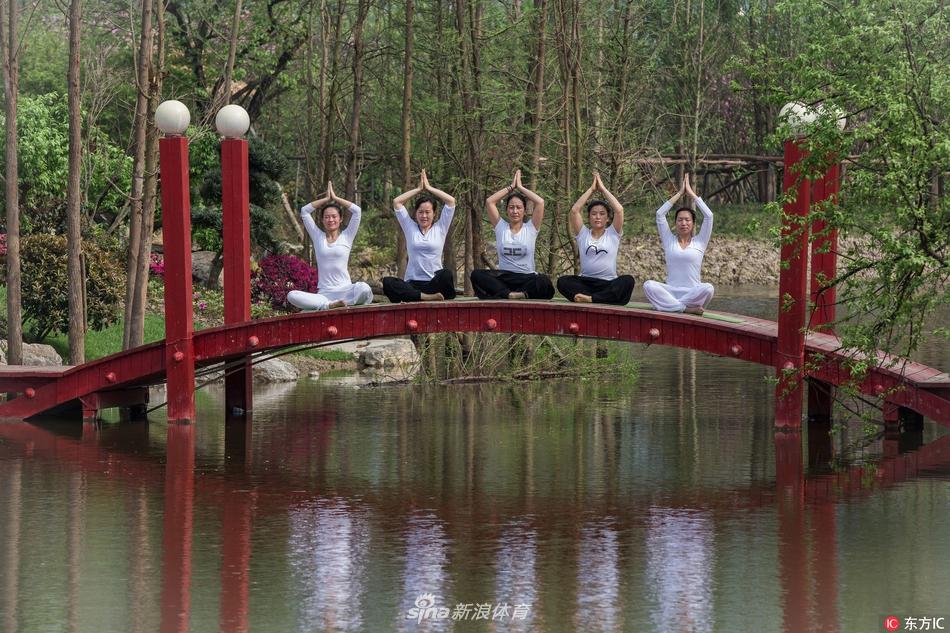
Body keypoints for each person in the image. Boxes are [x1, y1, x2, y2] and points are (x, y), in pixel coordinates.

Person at [287, 181, 374, 311]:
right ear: (322, 220)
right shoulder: (318, 237)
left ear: (340, 219)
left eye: (334, 216)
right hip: (325, 294)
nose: (330, 220)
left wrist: (335, 198)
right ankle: (329, 305)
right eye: (327, 217)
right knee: (291, 295)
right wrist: (326, 199)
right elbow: (304, 212)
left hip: (345, 290)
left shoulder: (347, 236)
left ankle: (341, 303)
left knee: (364, 288)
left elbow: (357, 211)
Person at [470, 169, 555, 300]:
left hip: (527, 278)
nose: (515, 211)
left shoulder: (531, 228)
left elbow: (540, 202)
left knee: (543, 281)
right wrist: (511, 187)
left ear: (525, 211)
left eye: (519, 207)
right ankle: (509, 295)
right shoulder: (500, 227)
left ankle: (521, 294)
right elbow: (490, 202)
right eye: (511, 207)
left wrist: (520, 187)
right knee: (477, 275)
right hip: (505, 278)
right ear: (507, 210)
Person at [556, 173, 635, 305]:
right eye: (594, 214)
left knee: (628, 281)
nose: (597, 217)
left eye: (602, 214)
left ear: (607, 218)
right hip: (585, 282)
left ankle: (591, 299)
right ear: (589, 217)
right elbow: (575, 210)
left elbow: (619, 210)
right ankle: (603, 298)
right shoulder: (583, 234)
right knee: (563, 281)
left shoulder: (613, 234)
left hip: (608, 283)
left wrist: (603, 189)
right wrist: (591, 189)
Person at [642, 174, 715, 315]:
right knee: (648, 285)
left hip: (692, 293)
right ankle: (684, 309)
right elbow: (660, 214)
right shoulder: (669, 240)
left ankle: (671, 306)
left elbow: (709, 216)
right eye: (680, 220)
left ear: (693, 224)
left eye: (687, 220)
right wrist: (680, 193)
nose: (684, 223)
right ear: (675, 224)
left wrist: (692, 194)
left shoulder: (700, 242)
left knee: (708, 288)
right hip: (670, 292)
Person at [382, 170, 457, 303]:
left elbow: (451, 201)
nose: (424, 216)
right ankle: (424, 297)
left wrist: (429, 188)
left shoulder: (440, 228)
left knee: (446, 274)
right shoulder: (410, 227)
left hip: (434, 283)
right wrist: (418, 189)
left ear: (434, 214)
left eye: (427, 212)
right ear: (415, 213)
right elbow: (397, 202)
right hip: (413, 284)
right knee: (388, 282)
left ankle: (421, 296)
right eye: (420, 212)